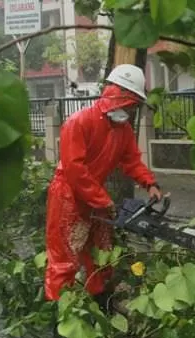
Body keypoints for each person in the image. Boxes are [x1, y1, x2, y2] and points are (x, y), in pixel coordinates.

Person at [44, 64, 162, 308]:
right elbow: (75, 170)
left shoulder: (123, 130)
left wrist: (149, 183)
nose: (131, 108)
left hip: (95, 193)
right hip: (68, 194)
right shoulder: (78, 123)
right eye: (130, 102)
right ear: (116, 94)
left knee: (101, 248)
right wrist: (104, 201)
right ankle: (60, 313)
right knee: (65, 255)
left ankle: (99, 300)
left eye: (134, 104)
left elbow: (132, 161)